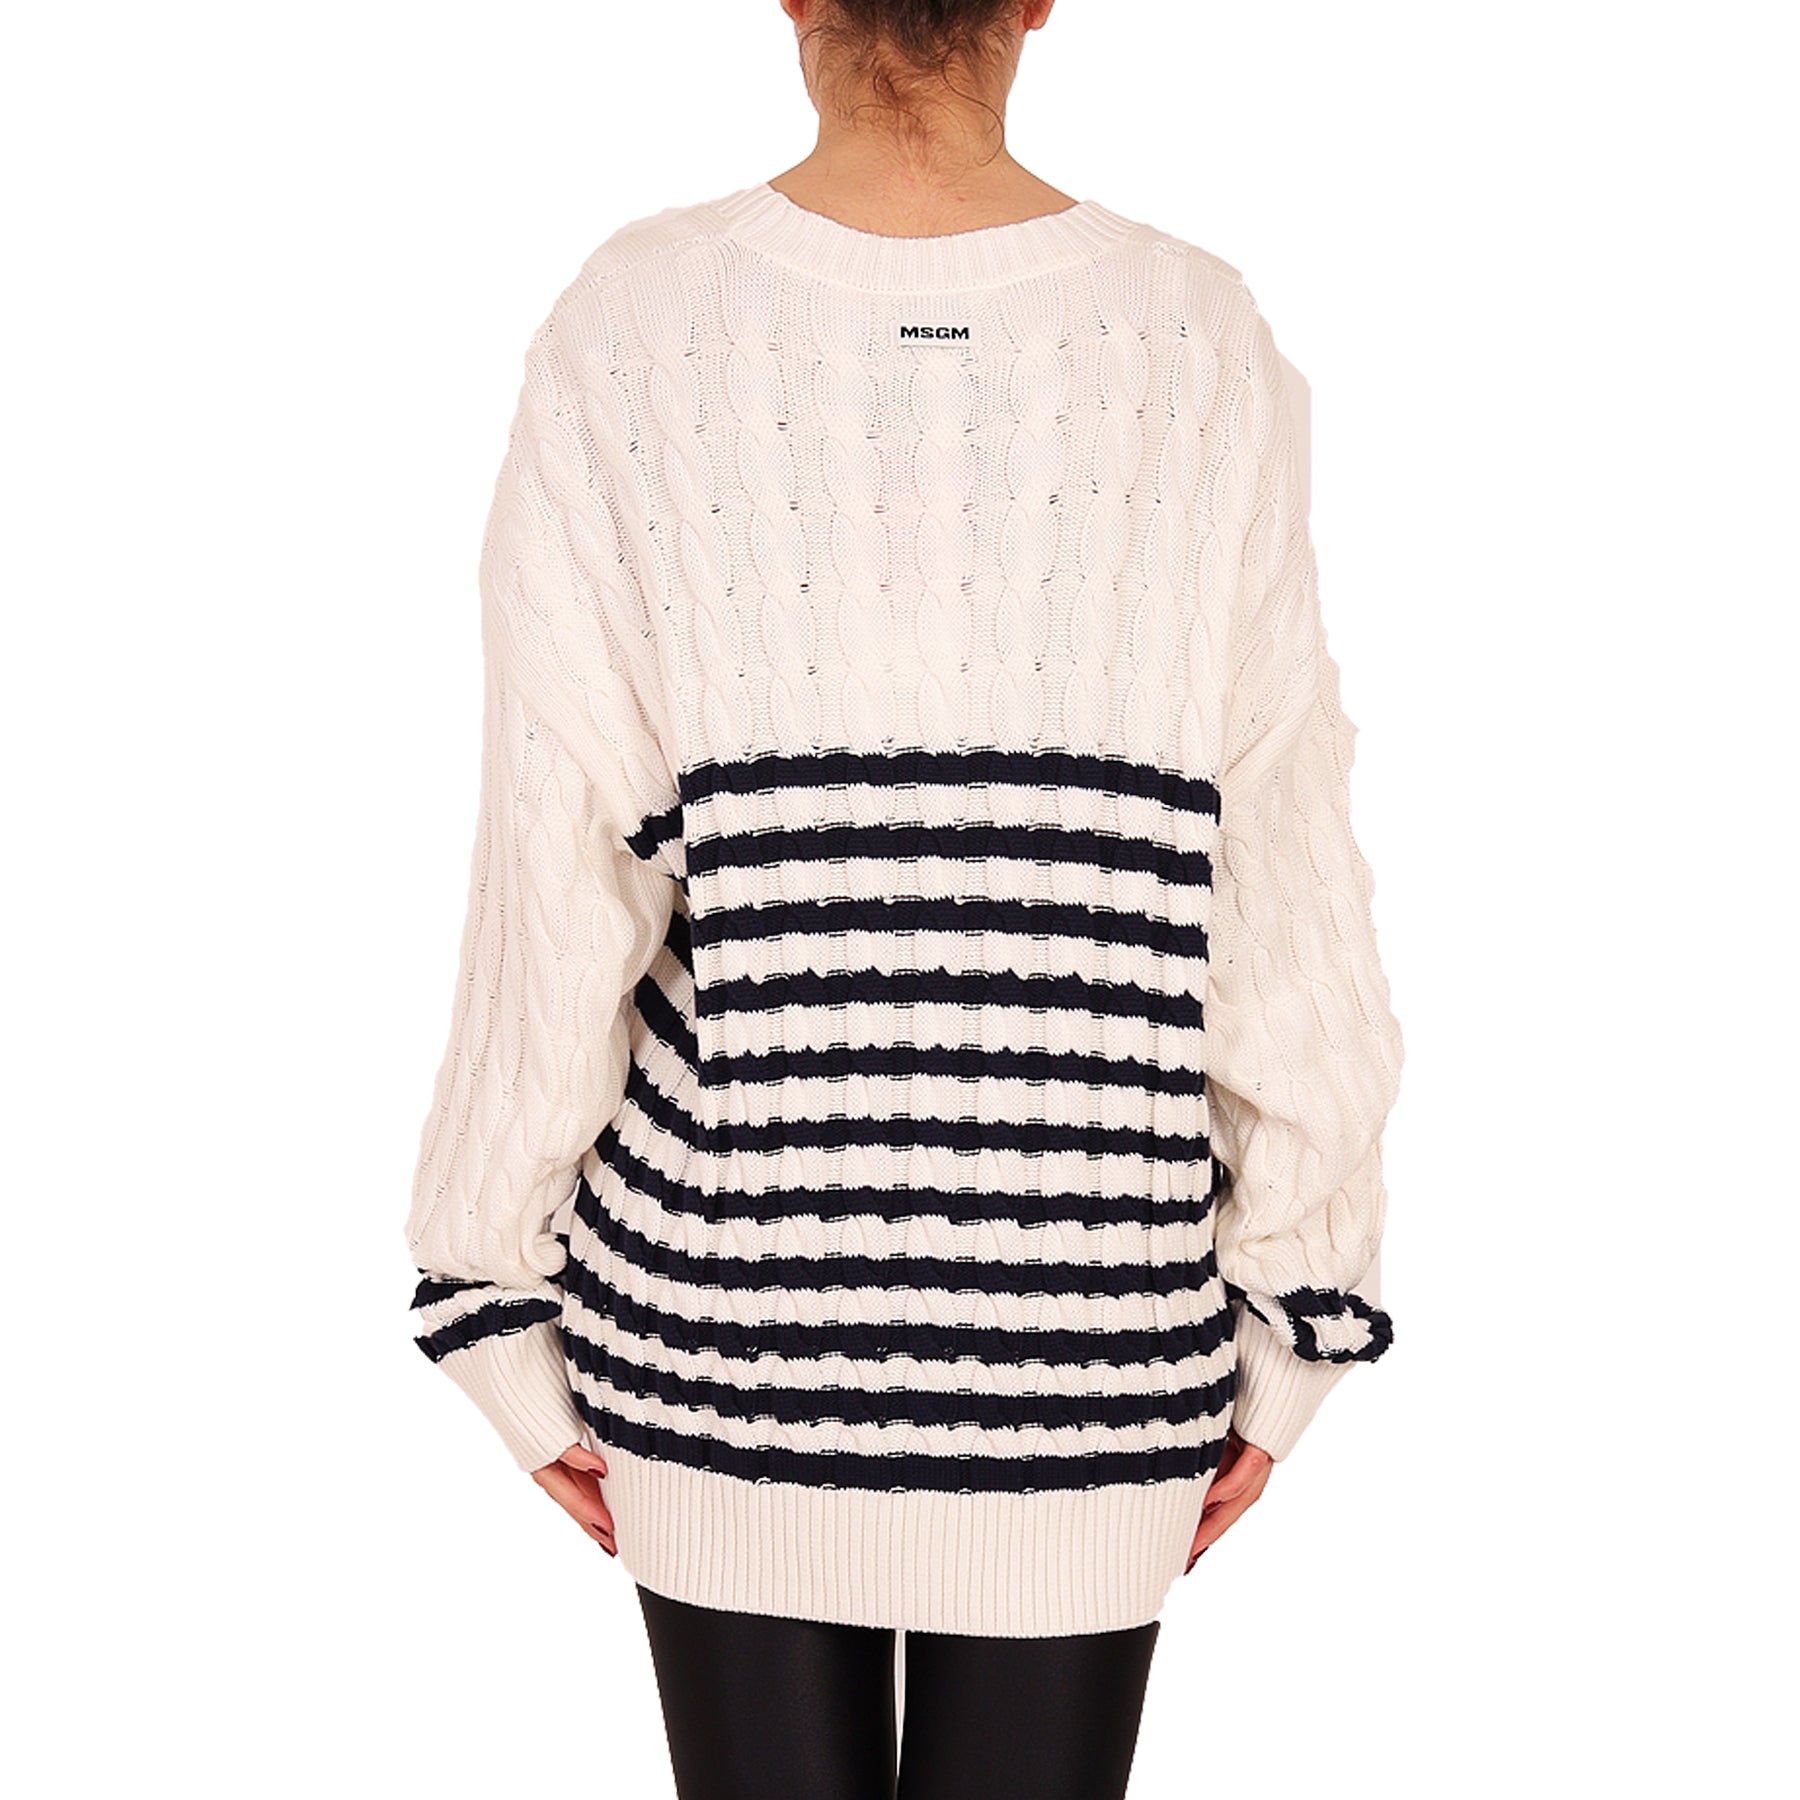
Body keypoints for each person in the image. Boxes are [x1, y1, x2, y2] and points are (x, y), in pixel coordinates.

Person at [402, 1, 1406, 1794]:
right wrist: (1300, 1310)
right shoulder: (1192, 340)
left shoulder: (640, 323)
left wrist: (488, 1290)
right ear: (1035, 0)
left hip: (727, 1335)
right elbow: (1276, 863)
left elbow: (557, 868)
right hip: (1087, 1344)